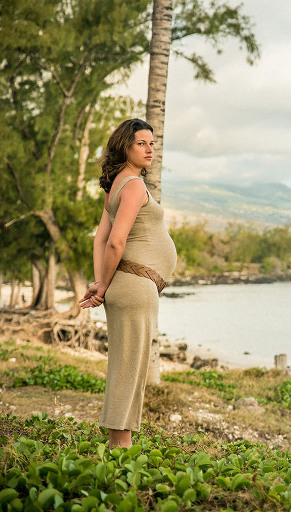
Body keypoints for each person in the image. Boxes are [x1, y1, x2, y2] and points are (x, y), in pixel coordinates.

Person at [80, 118, 177, 448]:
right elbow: (114, 242)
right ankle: (120, 450)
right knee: (129, 370)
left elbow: (99, 239)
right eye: (142, 144)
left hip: (128, 284)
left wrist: (99, 282)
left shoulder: (116, 187)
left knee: (124, 368)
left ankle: (117, 444)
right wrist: (103, 285)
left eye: (152, 143)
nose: (150, 149)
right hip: (134, 284)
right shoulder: (133, 186)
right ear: (125, 147)